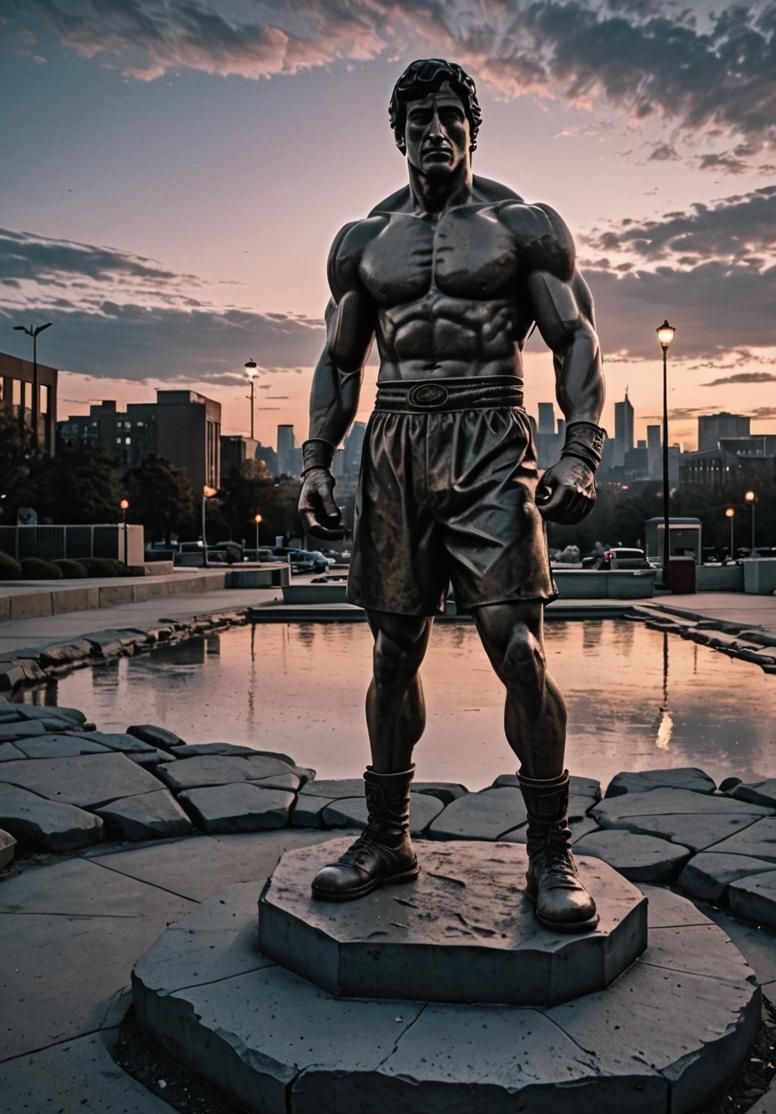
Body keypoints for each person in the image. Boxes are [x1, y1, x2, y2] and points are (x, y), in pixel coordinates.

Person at [299, 58, 607, 932]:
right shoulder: (361, 241)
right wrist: (319, 459)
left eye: (449, 116)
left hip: (488, 436)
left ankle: (550, 847)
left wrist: (580, 450)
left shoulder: (523, 228)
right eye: (419, 119)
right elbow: (340, 360)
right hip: (394, 444)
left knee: (519, 649)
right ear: (397, 135)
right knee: (394, 654)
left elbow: (575, 339)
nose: (436, 131)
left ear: (472, 128)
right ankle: (388, 835)